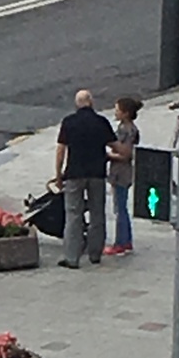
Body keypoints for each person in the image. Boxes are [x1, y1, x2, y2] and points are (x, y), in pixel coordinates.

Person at [53, 88, 115, 267]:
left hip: (74, 173)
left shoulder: (69, 122)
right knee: (97, 213)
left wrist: (58, 175)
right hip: (97, 174)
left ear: (76, 104)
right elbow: (114, 145)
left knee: (73, 214)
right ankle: (95, 253)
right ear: (91, 102)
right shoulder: (101, 122)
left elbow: (60, 150)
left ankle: (72, 257)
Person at [105, 95, 141, 256]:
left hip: (121, 171)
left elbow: (125, 154)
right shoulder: (129, 128)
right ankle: (126, 240)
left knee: (120, 208)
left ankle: (121, 242)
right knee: (121, 206)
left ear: (126, 113)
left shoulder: (125, 130)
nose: (115, 112)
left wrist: (107, 156)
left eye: (118, 110)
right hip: (122, 171)